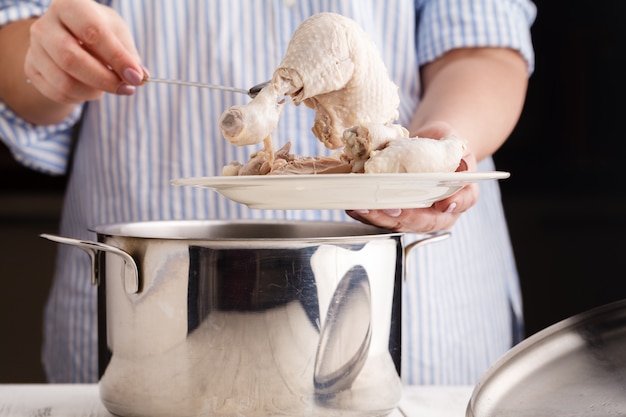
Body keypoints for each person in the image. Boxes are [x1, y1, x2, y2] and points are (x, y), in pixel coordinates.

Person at [0, 0, 536, 385]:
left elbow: (482, 44)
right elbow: (17, 44)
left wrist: (434, 154)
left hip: (408, 312)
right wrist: (58, 56)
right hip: (150, 318)